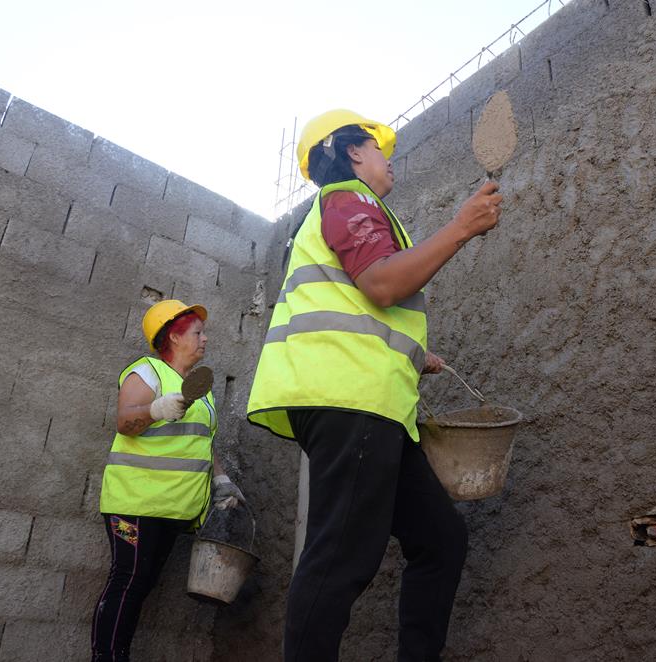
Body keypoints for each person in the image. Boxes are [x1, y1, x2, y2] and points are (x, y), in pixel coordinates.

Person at [246, 109, 502, 661]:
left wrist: (415, 353)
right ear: (352, 151)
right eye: (380, 149)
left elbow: (362, 305)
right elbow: (383, 283)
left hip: (373, 405)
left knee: (441, 541)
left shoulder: (354, 210)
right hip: (351, 401)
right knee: (340, 557)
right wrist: (461, 227)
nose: (390, 160)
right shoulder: (348, 198)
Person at [92, 299, 246, 662]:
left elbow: (202, 443)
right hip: (134, 504)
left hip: (174, 508)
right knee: (128, 579)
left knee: (142, 583)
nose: (205, 339)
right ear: (174, 337)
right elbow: (124, 421)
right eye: (198, 332)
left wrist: (221, 480)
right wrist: (154, 409)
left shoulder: (200, 389)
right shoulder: (147, 372)